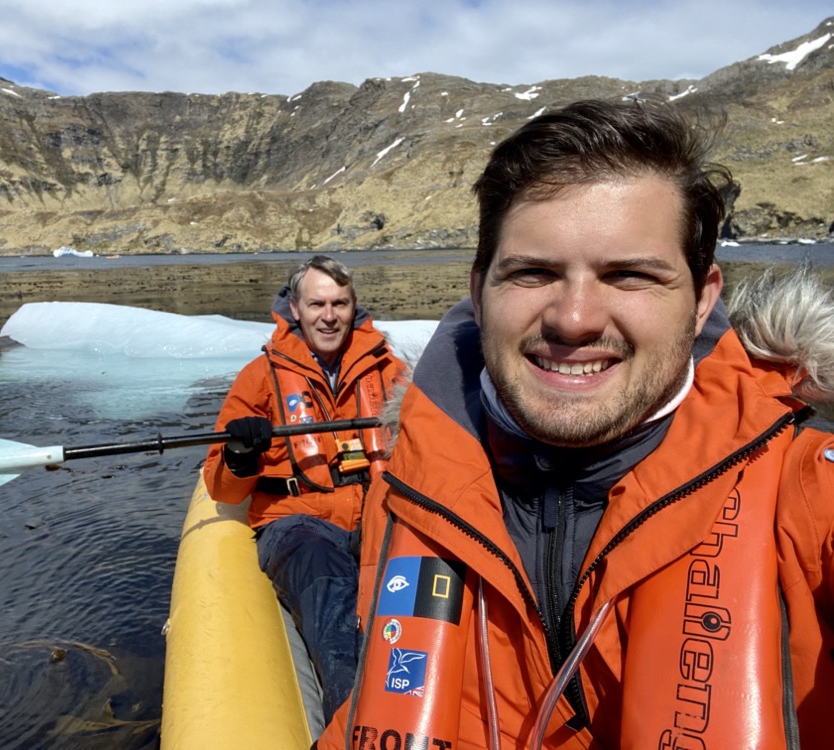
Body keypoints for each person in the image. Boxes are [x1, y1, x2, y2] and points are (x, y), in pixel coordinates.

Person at [318, 99, 834, 749]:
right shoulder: (409, 489)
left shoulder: (807, 493)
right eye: (533, 272)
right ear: (479, 292)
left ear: (702, 300)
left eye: (630, 276)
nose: (574, 319)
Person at [203, 254, 407, 725]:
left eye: (340, 303)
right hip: (297, 523)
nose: (329, 316)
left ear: (354, 306)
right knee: (329, 587)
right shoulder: (259, 377)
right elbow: (224, 489)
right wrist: (240, 454)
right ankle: (356, 723)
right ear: (295, 308)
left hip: (378, 511)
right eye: (317, 304)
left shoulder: (390, 371)